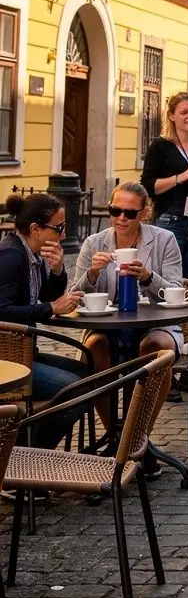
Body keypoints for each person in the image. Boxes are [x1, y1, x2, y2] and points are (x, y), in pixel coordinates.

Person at [74, 181, 184, 443]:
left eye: (130, 213)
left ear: (144, 213)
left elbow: (175, 290)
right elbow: (75, 296)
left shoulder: (164, 240)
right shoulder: (94, 243)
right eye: (115, 210)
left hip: (157, 323)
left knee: (159, 348)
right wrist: (93, 272)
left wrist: (147, 277)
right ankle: (115, 435)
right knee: (95, 347)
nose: (121, 218)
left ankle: (138, 436)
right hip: (109, 325)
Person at [0, 192, 88, 448]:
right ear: (35, 229)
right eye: (58, 228)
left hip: (27, 353)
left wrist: (59, 270)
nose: (63, 235)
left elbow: (46, 294)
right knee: (77, 390)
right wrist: (50, 308)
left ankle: (30, 447)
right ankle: (33, 455)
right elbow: (3, 311)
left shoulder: (32, 254)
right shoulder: (10, 256)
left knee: (92, 377)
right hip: (10, 362)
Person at [141, 92, 188, 287]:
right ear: (172, 116)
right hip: (170, 221)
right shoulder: (160, 146)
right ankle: (170, 319)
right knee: (167, 286)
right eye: (184, 112)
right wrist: (180, 178)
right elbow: (148, 186)